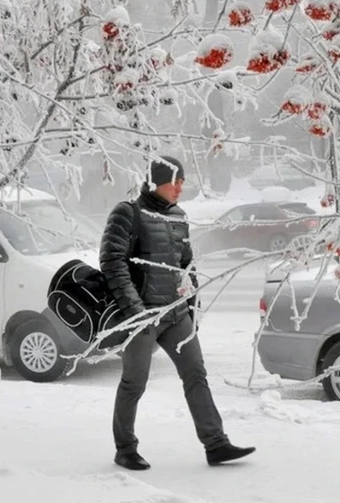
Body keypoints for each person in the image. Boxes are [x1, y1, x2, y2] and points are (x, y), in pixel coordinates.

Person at [100, 155, 255, 470]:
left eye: (183, 181)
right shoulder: (127, 213)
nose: (181, 187)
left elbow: (186, 263)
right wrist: (136, 310)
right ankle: (125, 449)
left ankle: (216, 444)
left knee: (196, 374)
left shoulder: (179, 216)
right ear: (156, 181)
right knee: (134, 382)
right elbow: (111, 262)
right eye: (176, 181)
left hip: (175, 313)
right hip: (142, 317)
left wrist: (193, 304)